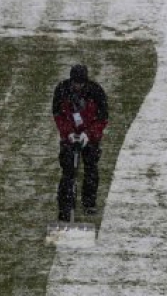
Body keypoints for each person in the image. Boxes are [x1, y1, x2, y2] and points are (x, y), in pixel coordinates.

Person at [53, 64, 109, 220]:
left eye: (80, 83)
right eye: (75, 83)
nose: (77, 86)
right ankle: (65, 208)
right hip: (69, 136)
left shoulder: (96, 92)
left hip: (90, 137)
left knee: (91, 168)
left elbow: (102, 118)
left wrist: (88, 134)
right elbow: (58, 115)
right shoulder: (62, 90)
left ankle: (89, 203)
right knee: (68, 172)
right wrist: (69, 132)